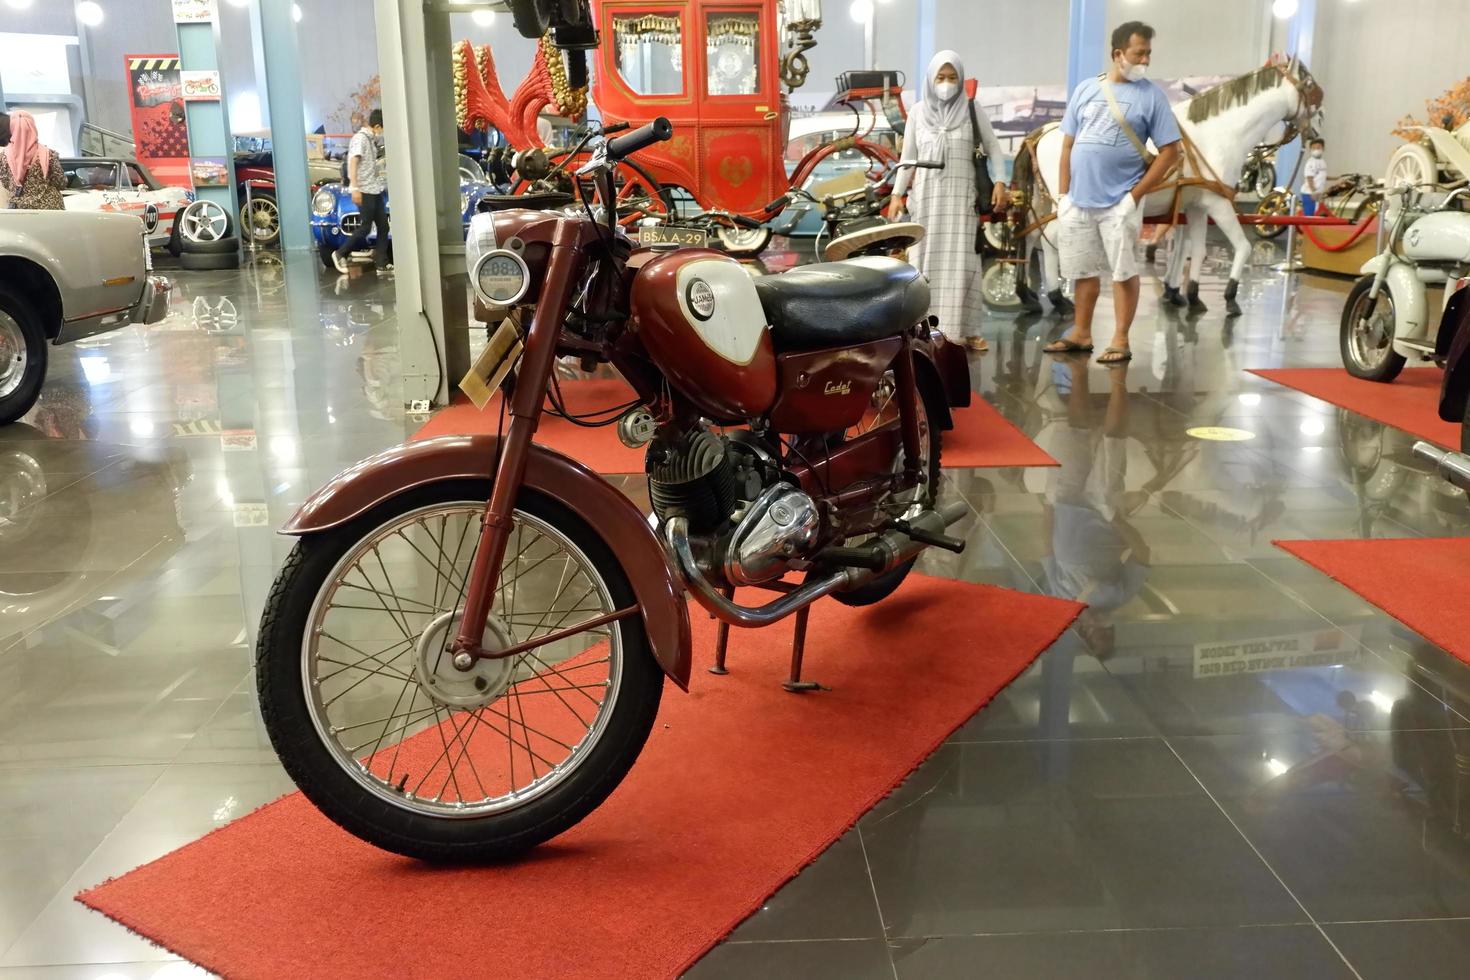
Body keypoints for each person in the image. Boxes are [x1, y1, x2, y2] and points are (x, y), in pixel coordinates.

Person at [1043, 21, 1181, 365]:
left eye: (1148, 53)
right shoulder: (1087, 89)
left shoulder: (1151, 96)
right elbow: (1067, 145)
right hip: (1078, 200)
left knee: (1123, 270)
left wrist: (1133, 196)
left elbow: (1170, 152)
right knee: (1082, 269)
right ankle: (1081, 332)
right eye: (1139, 53)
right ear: (1118, 54)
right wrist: (1063, 195)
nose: (1145, 60)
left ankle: (1120, 338)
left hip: (1120, 200)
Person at [887, 51, 1009, 353]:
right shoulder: (917, 112)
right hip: (926, 203)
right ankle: (923, 329)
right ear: (930, 80)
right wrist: (896, 195)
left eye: (952, 77)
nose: (946, 83)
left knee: (964, 265)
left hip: (961, 202)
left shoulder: (971, 109)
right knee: (924, 263)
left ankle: (966, 331)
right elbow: (908, 159)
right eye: (940, 78)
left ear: (961, 79)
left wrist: (1001, 182)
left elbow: (993, 148)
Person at [333, 108, 390, 274]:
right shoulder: (360, 139)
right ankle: (340, 253)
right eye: (383, 128)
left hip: (374, 189)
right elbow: (353, 163)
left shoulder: (371, 140)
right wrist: (355, 188)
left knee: (383, 226)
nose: (383, 133)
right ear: (377, 126)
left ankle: (381, 262)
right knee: (365, 227)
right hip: (364, 190)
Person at [0, 110, 66, 211]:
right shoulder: (48, 154)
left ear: (12, 128)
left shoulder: (3, 157)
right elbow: (61, 182)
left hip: (20, 212)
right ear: (32, 127)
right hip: (51, 210)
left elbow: (6, 183)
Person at [1300, 137, 1327, 216]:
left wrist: (1337, 178)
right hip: (1309, 193)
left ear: (1323, 148)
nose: (1316, 150)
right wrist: (1313, 191)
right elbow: (1309, 178)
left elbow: (1322, 175)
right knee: (1309, 215)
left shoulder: (1322, 161)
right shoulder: (1311, 162)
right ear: (1310, 150)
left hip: (1318, 193)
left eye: (1318, 147)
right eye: (1313, 148)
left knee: (1316, 214)